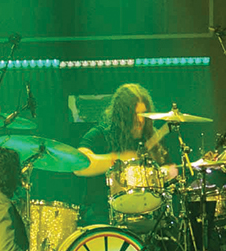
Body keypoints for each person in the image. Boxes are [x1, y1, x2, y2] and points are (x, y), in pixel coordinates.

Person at [72, 83, 171, 224]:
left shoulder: (152, 137)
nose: (140, 120)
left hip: (147, 215)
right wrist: (119, 159)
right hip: (102, 215)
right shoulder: (100, 135)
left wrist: (166, 172)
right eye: (135, 115)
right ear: (121, 115)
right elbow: (79, 165)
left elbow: (170, 169)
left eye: (144, 114)